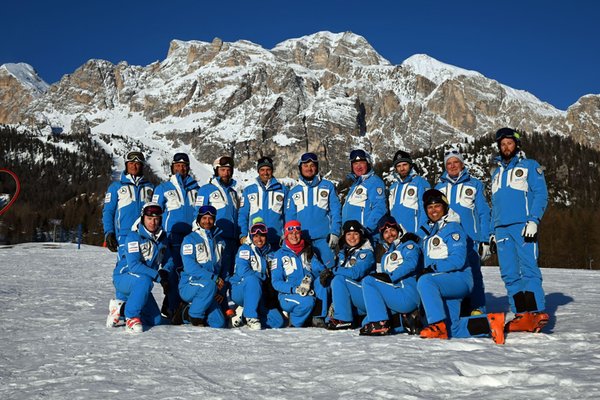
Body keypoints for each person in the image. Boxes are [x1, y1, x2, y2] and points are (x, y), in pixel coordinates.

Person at [417, 189, 505, 344]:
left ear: (445, 207)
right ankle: (491, 323)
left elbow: (458, 260)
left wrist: (432, 269)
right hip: (445, 283)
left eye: (437, 206)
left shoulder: (452, 228)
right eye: (429, 207)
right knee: (452, 328)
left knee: (425, 281)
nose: (433, 210)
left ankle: (436, 326)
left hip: (459, 279)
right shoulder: (431, 231)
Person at [490, 127, 549, 333]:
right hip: (501, 230)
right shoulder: (496, 173)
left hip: (523, 227)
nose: (506, 147)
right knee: (509, 273)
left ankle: (536, 311)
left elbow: (541, 195)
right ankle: (521, 314)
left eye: (509, 143)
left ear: (517, 144)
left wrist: (534, 220)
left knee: (529, 268)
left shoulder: (529, 166)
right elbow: (494, 205)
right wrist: (492, 232)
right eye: (502, 144)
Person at [435, 147, 491, 315]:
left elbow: (483, 212)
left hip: (470, 240)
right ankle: (455, 310)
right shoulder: (439, 187)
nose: (452, 166)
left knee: (474, 275)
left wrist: (485, 239)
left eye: (456, 162)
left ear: (462, 163)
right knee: (451, 274)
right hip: (447, 240)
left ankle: (477, 309)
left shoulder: (474, 184)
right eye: (449, 163)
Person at [106, 202, 173, 333]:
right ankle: (131, 317)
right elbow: (134, 265)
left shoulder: (162, 239)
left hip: (141, 285)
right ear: (143, 218)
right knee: (144, 280)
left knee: (156, 320)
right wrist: (158, 276)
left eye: (156, 219)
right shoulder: (133, 236)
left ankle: (120, 308)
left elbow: (169, 259)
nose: (153, 222)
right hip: (124, 277)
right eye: (149, 219)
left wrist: (165, 270)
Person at [152, 153, 200, 318]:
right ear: (172, 167)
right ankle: (173, 308)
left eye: (184, 165)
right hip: (171, 237)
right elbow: (154, 212)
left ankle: (181, 306)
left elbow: (200, 212)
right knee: (171, 271)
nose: (181, 168)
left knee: (187, 272)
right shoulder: (163, 188)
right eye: (178, 165)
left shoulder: (196, 189)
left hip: (191, 237)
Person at [359, 215, 422, 336]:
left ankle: (380, 323)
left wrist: (390, 277)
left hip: (407, 293)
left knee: (368, 281)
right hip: (396, 294)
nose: (390, 234)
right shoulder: (386, 255)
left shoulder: (408, 244)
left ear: (398, 229)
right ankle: (406, 321)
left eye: (392, 230)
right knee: (365, 322)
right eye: (385, 232)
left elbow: (411, 264)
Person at [286, 152, 342, 269]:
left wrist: (335, 232)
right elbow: (290, 217)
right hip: (302, 241)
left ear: (316, 167)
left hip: (325, 239)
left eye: (312, 165)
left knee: (329, 270)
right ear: (300, 168)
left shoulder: (328, 186)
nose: (309, 168)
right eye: (305, 166)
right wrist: (289, 236)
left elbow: (335, 211)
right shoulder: (294, 191)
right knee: (307, 273)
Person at [176, 205, 228, 328]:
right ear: (199, 219)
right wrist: (213, 278)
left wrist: (221, 290)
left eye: (210, 218)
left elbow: (225, 270)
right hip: (189, 285)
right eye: (204, 218)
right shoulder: (189, 239)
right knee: (209, 284)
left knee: (218, 323)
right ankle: (193, 315)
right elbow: (189, 267)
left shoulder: (220, 242)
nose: (207, 221)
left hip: (209, 289)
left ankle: (190, 310)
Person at [230, 220, 285, 330]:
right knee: (252, 279)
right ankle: (251, 316)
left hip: (261, 292)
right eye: (255, 236)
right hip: (241, 289)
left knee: (278, 321)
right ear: (251, 236)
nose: (259, 239)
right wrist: (264, 277)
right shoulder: (245, 249)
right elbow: (243, 271)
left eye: (262, 236)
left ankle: (245, 312)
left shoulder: (271, 252)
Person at [270, 220, 326, 327]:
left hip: (308, 289)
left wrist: (321, 273)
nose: (294, 236)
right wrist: (295, 289)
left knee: (323, 282)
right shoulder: (279, 255)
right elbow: (276, 282)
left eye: (297, 233)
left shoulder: (308, 251)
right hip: (288, 294)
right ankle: (295, 324)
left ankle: (318, 317)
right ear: (286, 235)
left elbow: (318, 268)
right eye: (290, 233)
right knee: (307, 302)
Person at [322, 220, 375, 330]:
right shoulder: (344, 253)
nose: (352, 237)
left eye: (356, 234)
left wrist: (334, 270)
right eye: (349, 234)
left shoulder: (366, 253)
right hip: (354, 297)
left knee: (338, 279)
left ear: (361, 235)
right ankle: (330, 314)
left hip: (366, 296)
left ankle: (344, 319)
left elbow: (355, 273)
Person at [102, 151, 154, 257]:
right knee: (126, 268)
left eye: (137, 164)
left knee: (146, 267)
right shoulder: (116, 187)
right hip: (124, 235)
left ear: (142, 166)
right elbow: (108, 212)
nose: (134, 166)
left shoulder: (150, 187)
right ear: (126, 165)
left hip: (146, 235)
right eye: (131, 163)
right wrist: (109, 232)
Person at [197, 156, 242, 275]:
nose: (226, 173)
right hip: (217, 239)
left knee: (231, 275)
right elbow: (198, 213)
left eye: (228, 170)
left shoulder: (233, 193)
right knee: (219, 275)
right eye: (222, 170)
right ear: (216, 170)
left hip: (233, 241)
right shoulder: (206, 190)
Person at [238, 156, 288, 249]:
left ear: (272, 171)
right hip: (255, 241)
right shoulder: (249, 191)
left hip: (277, 241)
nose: (265, 173)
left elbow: (287, 215)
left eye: (268, 169)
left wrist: (287, 234)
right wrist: (243, 234)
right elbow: (243, 215)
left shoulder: (283, 190)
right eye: (262, 169)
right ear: (258, 171)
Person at [341, 149, 387, 243]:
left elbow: (380, 208)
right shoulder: (356, 184)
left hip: (366, 237)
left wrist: (366, 230)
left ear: (368, 163)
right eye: (355, 163)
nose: (358, 166)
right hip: (352, 238)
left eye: (362, 162)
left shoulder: (375, 182)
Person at [388, 150, 430, 235]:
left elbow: (426, 210)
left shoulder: (420, 182)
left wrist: (421, 233)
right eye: (399, 166)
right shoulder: (393, 187)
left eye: (405, 165)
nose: (402, 168)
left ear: (410, 165)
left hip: (415, 235)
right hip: (397, 237)